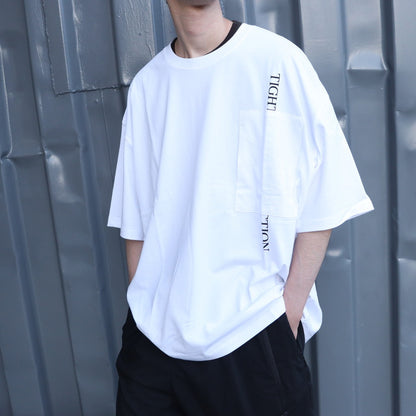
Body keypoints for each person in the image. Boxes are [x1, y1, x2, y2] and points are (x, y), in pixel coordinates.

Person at [107, 1, 374, 415]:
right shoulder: (148, 86)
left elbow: (325, 193)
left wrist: (286, 317)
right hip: (154, 352)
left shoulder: (277, 62)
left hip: (252, 339)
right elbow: (137, 222)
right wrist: (149, 312)